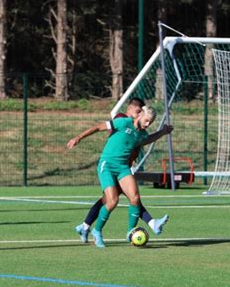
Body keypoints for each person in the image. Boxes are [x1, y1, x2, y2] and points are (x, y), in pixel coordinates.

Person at [67, 105, 173, 247]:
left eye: (150, 123)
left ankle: (130, 232)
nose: (147, 124)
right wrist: (78, 137)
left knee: (135, 198)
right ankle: (96, 231)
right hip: (107, 165)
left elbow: (148, 139)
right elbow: (98, 127)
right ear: (140, 114)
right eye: (147, 120)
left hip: (123, 167)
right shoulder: (123, 122)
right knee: (112, 201)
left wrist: (163, 132)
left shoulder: (141, 134)